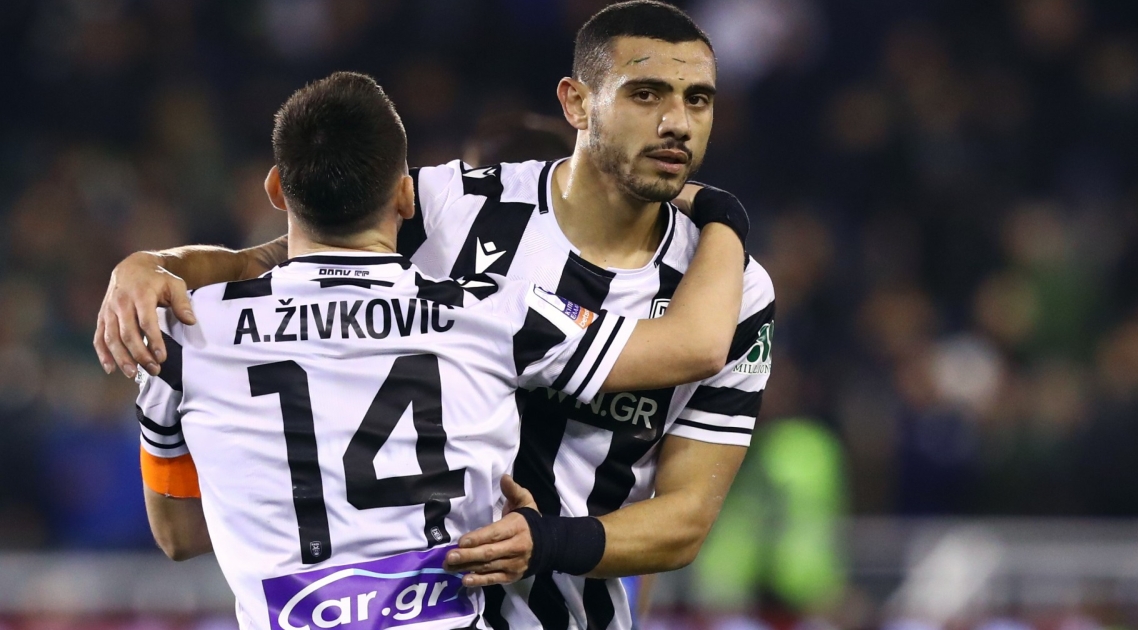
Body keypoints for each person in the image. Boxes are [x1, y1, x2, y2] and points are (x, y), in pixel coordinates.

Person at [97, 2, 775, 628]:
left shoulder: (731, 292)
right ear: (576, 102)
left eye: (698, 99)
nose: (677, 122)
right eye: (645, 94)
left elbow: (685, 520)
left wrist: (550, 542)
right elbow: (273, 260)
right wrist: (150, 264)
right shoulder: (452, 208)